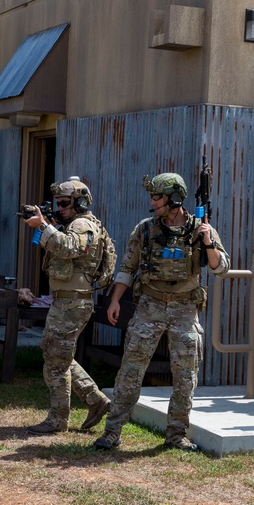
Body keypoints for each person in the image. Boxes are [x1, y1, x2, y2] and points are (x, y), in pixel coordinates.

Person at [94, 172, 230, 452]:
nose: (153, 202)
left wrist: (208, 243)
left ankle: (177, 434)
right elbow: (127, 268)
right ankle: (112, 431)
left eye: (158, 197)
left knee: (185, 376)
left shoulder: (200, 229)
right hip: (150, 307)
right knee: (131, 371)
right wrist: (115, 300)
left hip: (184, 309)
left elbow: (221, 268)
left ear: (175, 198)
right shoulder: (144, 229)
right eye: (153, 197)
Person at [22, 177, 114, 434]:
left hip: (74, 302)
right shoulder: (72, 223)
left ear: (79, 203)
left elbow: (72, 248)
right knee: (56, 353)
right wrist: (44, 226)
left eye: (64, 203)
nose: (59, 208)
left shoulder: (83, 224)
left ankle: (58, 418)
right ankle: (95, 400)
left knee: (56, 360)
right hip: (67, 299)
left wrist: (44, 226)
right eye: (58, 203)